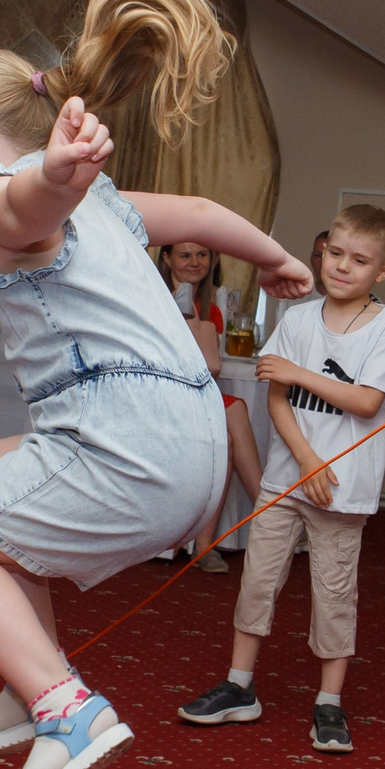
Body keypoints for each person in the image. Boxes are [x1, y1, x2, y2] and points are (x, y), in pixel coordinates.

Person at [0, 0, 312, 769]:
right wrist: (277, 261)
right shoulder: (108, 205)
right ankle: (25, 675)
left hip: (128, 451)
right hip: (190, 450)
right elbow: (199, 210)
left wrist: (52, 172)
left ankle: (65, 707)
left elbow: (20, 201)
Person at [179, 205, 385, 753]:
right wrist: (306, 459)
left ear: (382, 272)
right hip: (288, 478)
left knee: (333, 593)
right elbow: (276, 396)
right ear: (321, 253)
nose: (342, 268)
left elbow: (367, 399)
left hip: (342, 488)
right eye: (334, 254)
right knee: (258, 580)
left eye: (359, 260)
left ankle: (329, 702)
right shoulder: (298, 319)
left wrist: (301, 375)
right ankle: (240, 686)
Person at [158, 239, 265, 573]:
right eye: (185, 255)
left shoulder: (212, 305)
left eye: (202, 255)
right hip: (157, 390)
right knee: (234, 410)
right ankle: (269, 511)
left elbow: (209, 365)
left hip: (194, 390)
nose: (195, 262)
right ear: (167, 258)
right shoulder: (152, 295)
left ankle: (205, 546)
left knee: (230, 428)